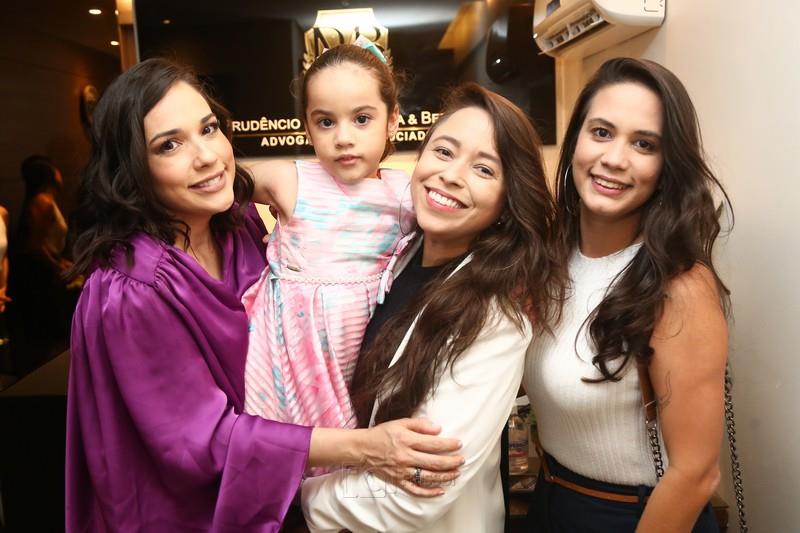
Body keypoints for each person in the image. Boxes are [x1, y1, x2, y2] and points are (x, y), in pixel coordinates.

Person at [65, 57, 463, 532]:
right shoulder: (132, 289)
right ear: (132, 167)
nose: (207, 156)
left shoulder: (235, 224)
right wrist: (367, 447)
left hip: (281, 488)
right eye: (169, 145)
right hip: (192, 512)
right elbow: (198, 440)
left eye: (209, 129)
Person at [299, 83, 565, 532]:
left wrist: (293, 498)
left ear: (508, 201)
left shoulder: (496, 317)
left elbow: (418, 495)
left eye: (483, 169)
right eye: (444, 152)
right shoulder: (396, 256)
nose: (451, 175)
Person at [523, 57, 731, 532]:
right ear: (576, 139)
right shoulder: (552, 258)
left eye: (644, 144)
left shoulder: (679, 285)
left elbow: (696, 474)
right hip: (551, 498)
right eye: (601, 132)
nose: (615, 158)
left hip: (633, 515)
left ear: (667, 166)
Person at [242, 41, 413, 432]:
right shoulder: (291, 180)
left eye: (362, 119)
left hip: (363, 350)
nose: (343, 138)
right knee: (289, 447)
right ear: (307, 127)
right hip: (292, 352)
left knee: (354, 448)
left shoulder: (405, 195)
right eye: (325, 122)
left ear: (392, 120)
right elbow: (217, 180)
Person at [7, 155, 77, 372]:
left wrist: (60, 261)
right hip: (39, 277)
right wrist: (57, 266)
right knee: (49, 336)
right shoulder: (42, 202)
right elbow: (34, 246)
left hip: (45, 270)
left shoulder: (45, 200)